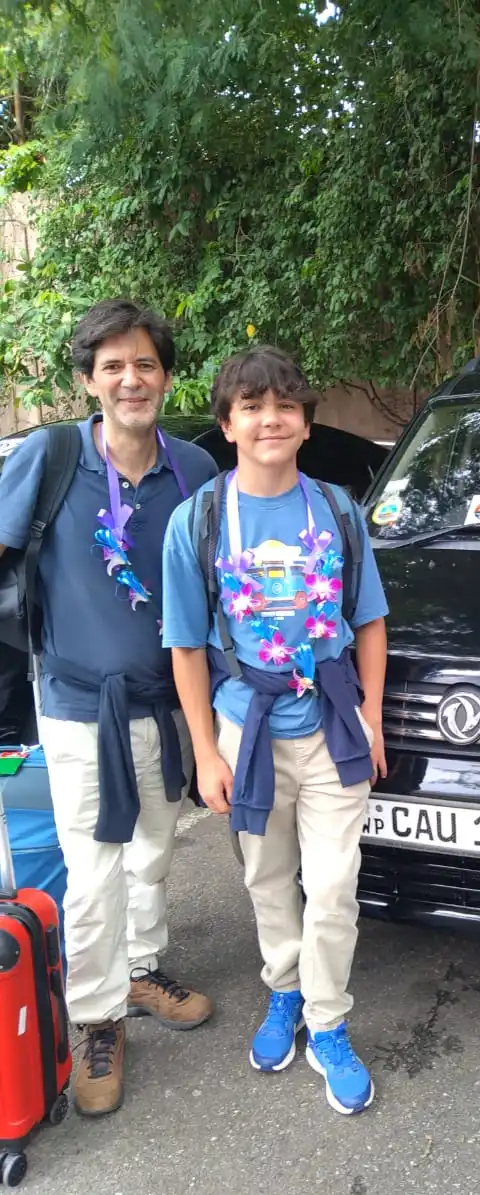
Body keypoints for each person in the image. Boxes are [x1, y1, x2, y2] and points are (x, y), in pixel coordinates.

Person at [0, 299, 218, 1117]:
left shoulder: (194, 470)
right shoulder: (51, 457)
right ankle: (95, 1018)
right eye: (114, 365)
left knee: (154, 853)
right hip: (74, 704)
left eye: (147, 364)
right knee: (92, 873)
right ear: (89, 379)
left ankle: (141, 969)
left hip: (165, 706)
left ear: (166, 375)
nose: (133, 379)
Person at [162, 346, 389, 1115]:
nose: (270, 420)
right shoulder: (197, 521)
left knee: (332, 884)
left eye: (285, 406)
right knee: (266, 880)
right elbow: (187, 647)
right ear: (227, 423)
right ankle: (284, 991)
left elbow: (370, 621)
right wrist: (203, 752)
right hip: (245, 727)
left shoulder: (335, 510)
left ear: (303, 421)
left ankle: (328, 1022)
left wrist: (372, 714)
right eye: (252, 407)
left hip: (332, 724)